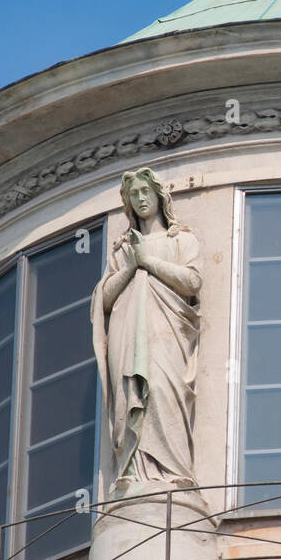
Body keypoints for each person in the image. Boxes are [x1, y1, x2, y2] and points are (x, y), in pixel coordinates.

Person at [92, 167, 202, 485]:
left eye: (145, 192)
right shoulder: (124, 250)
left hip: (166, 333)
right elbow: (106, 298)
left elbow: (192, 281)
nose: (140, 199)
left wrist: (148, 261)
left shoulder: (182, 240)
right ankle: (132, 468)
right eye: (133, 195)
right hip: (128, 332)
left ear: (158, 196)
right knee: (131, 394)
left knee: (164, 391)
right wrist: (131, 265)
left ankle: (173, 470)